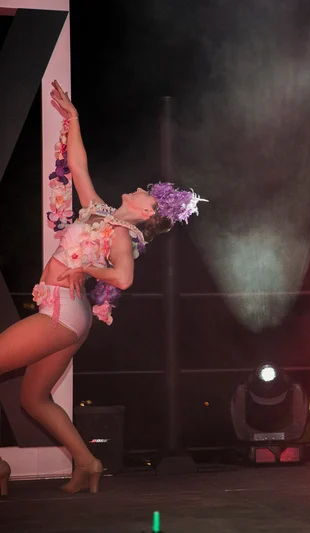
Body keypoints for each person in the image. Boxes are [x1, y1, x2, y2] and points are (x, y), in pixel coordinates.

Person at [0, 81, 204, 495]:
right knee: (33, 400)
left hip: (60, 314)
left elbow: (124, 279)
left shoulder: (122, 235)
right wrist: (74, 119)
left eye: (146, 192)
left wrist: (90, 271)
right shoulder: (103, 216)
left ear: (148, 211)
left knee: (28, 393)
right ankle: (88, 462)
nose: (140, 187)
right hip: (68, 316)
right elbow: (78, 169)